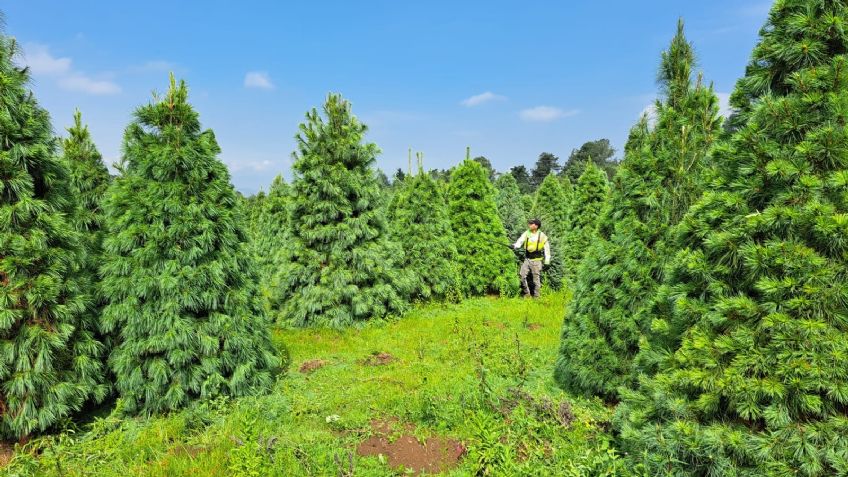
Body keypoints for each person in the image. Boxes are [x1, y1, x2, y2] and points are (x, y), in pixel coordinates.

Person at [513, 218, 550, 298]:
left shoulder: (542, 236)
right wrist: (515, 246)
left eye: (531, 223)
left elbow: (547, 249)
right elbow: (520, 241)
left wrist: (547, 261)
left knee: (536, 280)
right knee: (522, 276)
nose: (529, 225)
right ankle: (527, 294)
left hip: (537, 261)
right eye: (529, 223)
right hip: (527, 259)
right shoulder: (527, 233)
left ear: (536, 226)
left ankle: (537, 297)